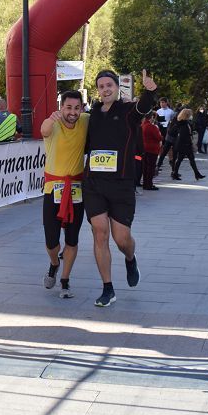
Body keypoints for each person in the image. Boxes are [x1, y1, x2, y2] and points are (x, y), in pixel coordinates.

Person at [84, 69, 157, 307]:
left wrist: (149, 91)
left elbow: (142, 109)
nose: (105, 89)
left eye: (109, 85)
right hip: (94, 183)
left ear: (117, 88)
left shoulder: (127, 111)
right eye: (101, 86)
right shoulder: (92, 113)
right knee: (100, 232)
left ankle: (130, 257)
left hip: (121, 184)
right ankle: (108, 288)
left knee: (121, 238)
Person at [40, 90, 89, 299]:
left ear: (82, 109)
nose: (73, 112)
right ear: (62, 107)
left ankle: (65, 280)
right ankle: (54, 263)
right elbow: (43, 130)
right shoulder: (53, 123)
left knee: (72, 239)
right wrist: (51, 120)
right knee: (51, 241)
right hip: (53, 190)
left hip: (77, 190)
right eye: (68, 107)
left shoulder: (86, 121)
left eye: (77, 108)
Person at [171, 108, 205, 181]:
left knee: (189, 159)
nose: (191, 116)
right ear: (187, 115)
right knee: (181, 159)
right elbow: (183, 135)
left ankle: (196, 174)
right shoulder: (182, 124)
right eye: (190, 115)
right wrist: (189, 143)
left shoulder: (186, 123)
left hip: (185, 144)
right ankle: (175, 173)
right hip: (184, 144)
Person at [140, 113, 162, 191]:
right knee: (151, 167)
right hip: (152, 149)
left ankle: (145, 183)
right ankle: (149, 184)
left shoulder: (142, 125)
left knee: (145, 167)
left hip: (144, 148)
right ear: (151, 117)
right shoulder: (152, 127)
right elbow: (159, 137)